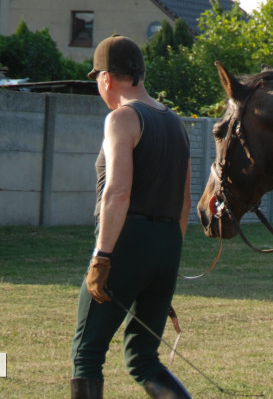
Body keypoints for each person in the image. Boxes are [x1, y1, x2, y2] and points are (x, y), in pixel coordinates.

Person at [70, 34, 193, 398]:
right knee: (143, 358)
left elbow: (117, 192)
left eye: (97, 80)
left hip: (127, 243)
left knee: (87, 354)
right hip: (169, 244)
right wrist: (164, 265)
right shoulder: (175, 122)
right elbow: (185, 201)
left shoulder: (122, 118)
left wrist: (102, 257)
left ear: (106, 78)